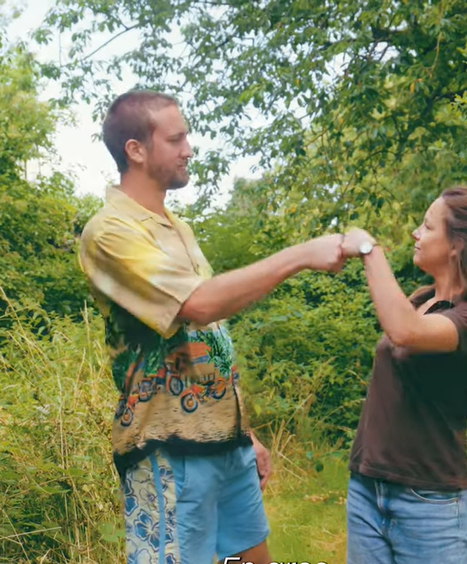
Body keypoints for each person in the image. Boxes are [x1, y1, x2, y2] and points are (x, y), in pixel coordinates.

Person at [78, 90, 345, 564]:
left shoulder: (176, 226)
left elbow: (198, 341)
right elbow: (198, 306)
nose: (189, 148)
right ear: (135, 150)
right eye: (176, 138)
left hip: (224, 443)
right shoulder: (110, 232)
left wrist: (244, 431)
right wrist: (303, 255)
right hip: (166, 449)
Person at [340, 185, 467, 564]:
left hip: (429, 505)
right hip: (367, 489)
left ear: (457, 244)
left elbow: (403, 331)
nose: (416, 234)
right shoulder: (422, 299)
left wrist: (367, 249)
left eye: (426, 227)